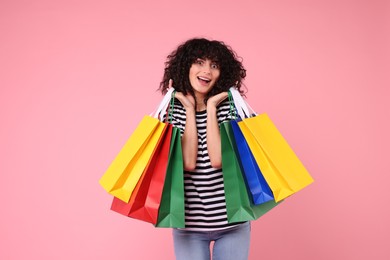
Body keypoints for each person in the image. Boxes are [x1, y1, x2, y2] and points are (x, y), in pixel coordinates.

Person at [159, 38, 249, 260]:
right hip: (188, 227)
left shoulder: (230, 109)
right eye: (199, 62)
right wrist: (189, 110)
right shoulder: (171, 113)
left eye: (215, 65)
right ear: (185, 67)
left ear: (223, 73)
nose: (206, 71)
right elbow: (188, 163)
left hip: (233, 223)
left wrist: (210, 108)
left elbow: (218, 159)